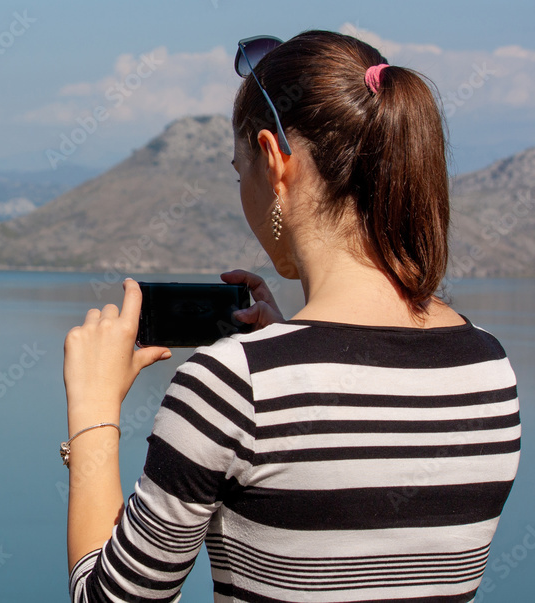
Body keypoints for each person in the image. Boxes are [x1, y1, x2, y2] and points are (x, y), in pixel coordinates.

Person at [62, 30, 521, 602]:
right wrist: (291, 351)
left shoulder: (232, 385)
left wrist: (92, 416)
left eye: (240, 172)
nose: (242, 191)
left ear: (275, 162)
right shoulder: (489, 368)